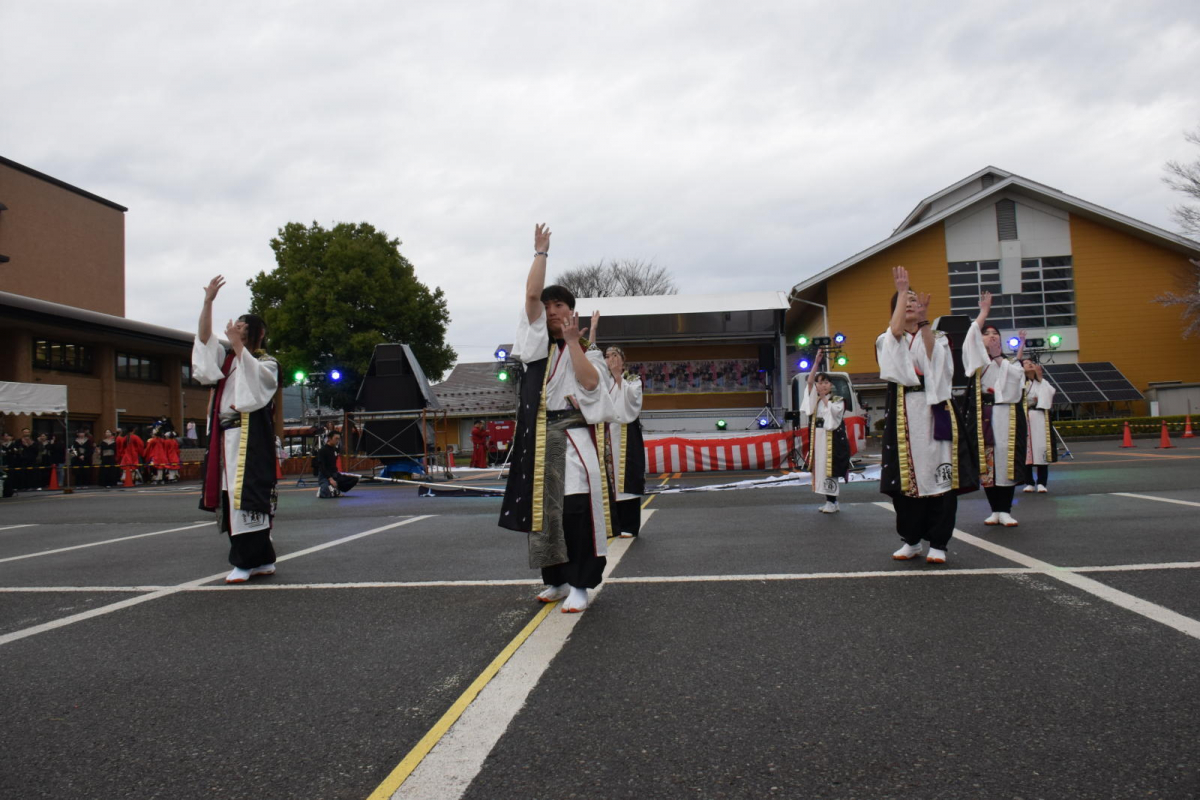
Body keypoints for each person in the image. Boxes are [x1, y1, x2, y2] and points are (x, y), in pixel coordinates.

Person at [498, 224, 616, 613]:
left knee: (575, 510)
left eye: (559, 307)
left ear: (572, 312)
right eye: (548, 308)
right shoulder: (534, 345)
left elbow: (590, 384)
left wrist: (572, 343)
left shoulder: (586, 352)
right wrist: (540, 253)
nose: (551, 312)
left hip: (571, 443)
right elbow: (531, 294)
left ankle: (582, 583)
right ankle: (558, 580)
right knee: (542, 513)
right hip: (539, 443)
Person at [877, 266, 978, 564]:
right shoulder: (885, 339)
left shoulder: (938, 336)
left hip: (935, 412)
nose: (909, 304)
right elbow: (895, 334)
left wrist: (924, 323)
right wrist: (902, 290)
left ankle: (939, 542)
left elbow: (936, 363)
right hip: (904, 414)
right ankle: (910, 539)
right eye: (903, 302)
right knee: (904, 482)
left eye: (912, 300)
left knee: (940, 479)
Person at [193, 275, 279, 584]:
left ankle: (246, 561)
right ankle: (261, 560)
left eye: (244, 327)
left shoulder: (266, 362)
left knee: (248, 497)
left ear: (258, 332)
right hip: (225, 439)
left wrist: (241, 346)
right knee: (230, 498)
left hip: (249, 439)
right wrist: (208, 302)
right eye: (236, 326)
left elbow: (258, 388)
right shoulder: (228, 358)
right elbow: (204, 343)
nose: (237, 329)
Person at [961, 294, 1029, 527]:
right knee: (987, 462)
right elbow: (970, 338)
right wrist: (984, 313)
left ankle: (1005, 509)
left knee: (1005, 460)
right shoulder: (977, 360)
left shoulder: (1008, 364)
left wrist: (1000, 356)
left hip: (1006, 415)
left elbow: (1018, 380)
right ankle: (994, 509)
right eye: (986, 333)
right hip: (985, 415)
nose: (991, 337)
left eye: (995, 334)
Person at [600, 344, 646, 538]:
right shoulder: (600, 380)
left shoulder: (633, 380)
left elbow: (633, 403)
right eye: (607, 356)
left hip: (626, 433)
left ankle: (629, 525)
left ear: (623, 359)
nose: (611, 359)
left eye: (615, 355)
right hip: (605, 433)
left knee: (626, 476)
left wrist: (618, 377)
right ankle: (610, 525)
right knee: (605, 478)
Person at [801, 351, 851, 514]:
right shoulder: (815, 400)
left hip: (832, 439)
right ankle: (829, 500)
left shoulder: (837, 401)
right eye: (819, 383)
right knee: (821, 469)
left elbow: (835, 415)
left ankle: (833, 500)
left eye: (826, 382)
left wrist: (824, 398)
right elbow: (809, 381)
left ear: (831, 385)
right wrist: (815, 363)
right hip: (820, 438)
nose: (822, 385)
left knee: (831, 469)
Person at [1022, 358, 1057, 493]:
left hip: (1040, 417)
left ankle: (1042, 482)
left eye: (1031, 362)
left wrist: (1040, 378)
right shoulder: (1021, 383)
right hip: (1026, 417)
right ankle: (1029, 482)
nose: (1030, 364)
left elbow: (1049, 394)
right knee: (1027, 450)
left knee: (1041, 448)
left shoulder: (1043, 382)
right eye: (1025, 363)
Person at [315, 431, 342, 498]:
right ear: (329, 438)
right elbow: (321, 467)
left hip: (334, 473)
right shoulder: (322, 450)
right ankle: (323, 490)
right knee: (326, 493)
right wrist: (330, 479)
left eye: (339, 439)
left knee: (352, 479)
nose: (337, 441)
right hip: (324, 475)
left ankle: (334, 490)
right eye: (336, 438)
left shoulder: (335, 449)